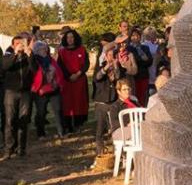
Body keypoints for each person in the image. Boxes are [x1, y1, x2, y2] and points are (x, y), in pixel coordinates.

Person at [1, 35, 37, 158]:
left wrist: (29, 55)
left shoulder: (29, 57)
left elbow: (35, 70)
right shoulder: (7, 56)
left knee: (24, 120)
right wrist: (15, 54)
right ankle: (8, 149)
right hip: (10, 92)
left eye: (22, 43)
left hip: (25, 92)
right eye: (17, 43)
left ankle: (21, 149)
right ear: (13, 45)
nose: (20, 45)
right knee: (9, 121)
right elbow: (5, 67)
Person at [91, 34, 119, 166]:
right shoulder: (101, 65)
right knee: (100, 130)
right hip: (102, 101)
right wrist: (106, 67)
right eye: (109, 55)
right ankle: (100, 154)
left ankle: (117, 155)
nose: (111, 57)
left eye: (113, 55)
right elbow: (97, 78)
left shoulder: (118, 66)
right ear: (106, 55)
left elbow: (119, 78)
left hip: (113, 101)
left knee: (115, 129)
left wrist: (116, 66)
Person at [57, 29, 89, 134]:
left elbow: (86, 64)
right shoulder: (61, 51)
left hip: (79, 80)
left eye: (72, 37)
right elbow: (60, 66)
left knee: (79, 102)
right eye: (68, 37)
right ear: (65, 39)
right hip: (67, 81)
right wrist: (69, 76)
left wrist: (78, 74)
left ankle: (78, 124)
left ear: (75, 38)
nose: (70, 39)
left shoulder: (82, 49)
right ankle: (68, 126)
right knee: (68, 104)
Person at [31, 41, 65, 139]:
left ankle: (61, 132)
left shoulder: (51, 60)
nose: (45, 50)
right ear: (37, 50)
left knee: (58, 110)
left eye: (46, 48)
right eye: (42, 49)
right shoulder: (35, 62)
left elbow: (58, 73)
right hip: (40, 91)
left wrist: (58, 84)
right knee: (41, 112)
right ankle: (41, 134)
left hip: (54, 89)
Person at [110, 79, 140, 145]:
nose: (127, 91)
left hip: (136, 128)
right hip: (120, 130)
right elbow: (114, 123)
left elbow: (142, 114)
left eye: (128, 89)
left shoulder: (134, 102)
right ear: (118, 91)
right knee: (137, 132)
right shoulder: (115, 106)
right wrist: (128, 124)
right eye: (124, 89)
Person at [128, 27, 153, 106]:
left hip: (144, 75)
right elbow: (132, 62)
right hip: (133, 77)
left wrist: (139, 61)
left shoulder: (145, 48)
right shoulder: (128, 48)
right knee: (134, 96)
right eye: (133, 35)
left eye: (137, 35)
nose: (135, 37)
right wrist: (142, 60)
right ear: (130, 37)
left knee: (144, 97)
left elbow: (149, 61)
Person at [142, 27, 160, 95]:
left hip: (145, 76)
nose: (156, 36)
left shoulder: (142, 45)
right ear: (151, 35)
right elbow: (158, 60)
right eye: (154, 34)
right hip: (153, 76)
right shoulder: (155, 47)